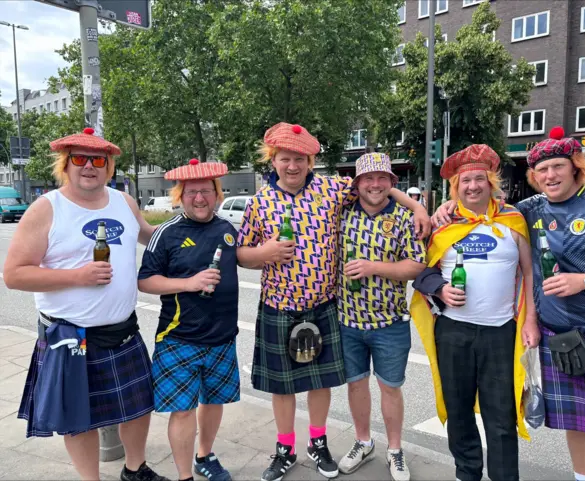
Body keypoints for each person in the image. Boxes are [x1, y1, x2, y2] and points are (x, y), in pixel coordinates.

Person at [432, 127, 585, 480]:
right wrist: (448, 204)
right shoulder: (529, 209)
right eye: (542, 170)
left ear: (575, 167)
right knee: (579, 422)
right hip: (557, 333)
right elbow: (479, 215)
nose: (550, 175)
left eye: (557, 167)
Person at [236, 122, 430, 481]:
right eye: (285, 158)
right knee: (283, 386)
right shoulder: (259, 202)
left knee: (318, 383)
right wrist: (264, 252)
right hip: (278, 304)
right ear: (273, 160)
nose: (292, 166)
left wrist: (415, 206)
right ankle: (285, 449)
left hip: (323, 305)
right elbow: (242, 254)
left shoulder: (331, 189)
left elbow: (377, 189)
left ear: (310, 161)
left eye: (300, 159)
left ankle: (318, 442)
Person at [3, 128, 167, 481]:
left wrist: (193, 237)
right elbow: (14, 274)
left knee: (139, 408)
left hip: (123, 331)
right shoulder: (46, 209)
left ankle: (135, 470)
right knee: (78, 419)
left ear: (109, 167)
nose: (89, 166)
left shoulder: (123, 201)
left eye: (98, 160)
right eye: (79, 158)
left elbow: (148, 236)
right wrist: (77, 276)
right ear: (65, 164)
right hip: (69, 335)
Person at [410, 144, 540, 481]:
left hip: (501, 333)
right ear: (455, 188)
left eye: (479, 179)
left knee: (502, 415)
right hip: (453, 332)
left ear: (491, 182)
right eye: (465, 181)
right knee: (459, 411)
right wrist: (439, 288)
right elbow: (421, 273)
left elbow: (529, 274)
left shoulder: (513, 221)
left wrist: (530, 320)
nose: (472, 186)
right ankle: (466, 473)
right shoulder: (443, 225)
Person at [138, 159, 240, 481]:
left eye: (206, 191)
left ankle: (204, 456)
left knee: (214, 401)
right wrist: (188, 283)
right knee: (182, 410)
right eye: (192, 192)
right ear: (180, 196)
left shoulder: (226, 229)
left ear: (217, 194)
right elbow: (145, 281)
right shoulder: (166, 233)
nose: (200, 198)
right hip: (179, 339)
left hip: (223, 338)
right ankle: (185, 477)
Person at [336, 153, 427, 481]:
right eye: (367, 179)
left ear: (391, 182)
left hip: (390, 323)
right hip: (347, 321)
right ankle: (363, 441)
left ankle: (394, 449)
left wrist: (374, 267)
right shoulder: (340, 213)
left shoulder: (404, 218)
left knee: (390, 388)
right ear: (357, 183)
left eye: (382, 178)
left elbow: (416, 265)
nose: (374, 185)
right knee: (356, 384)